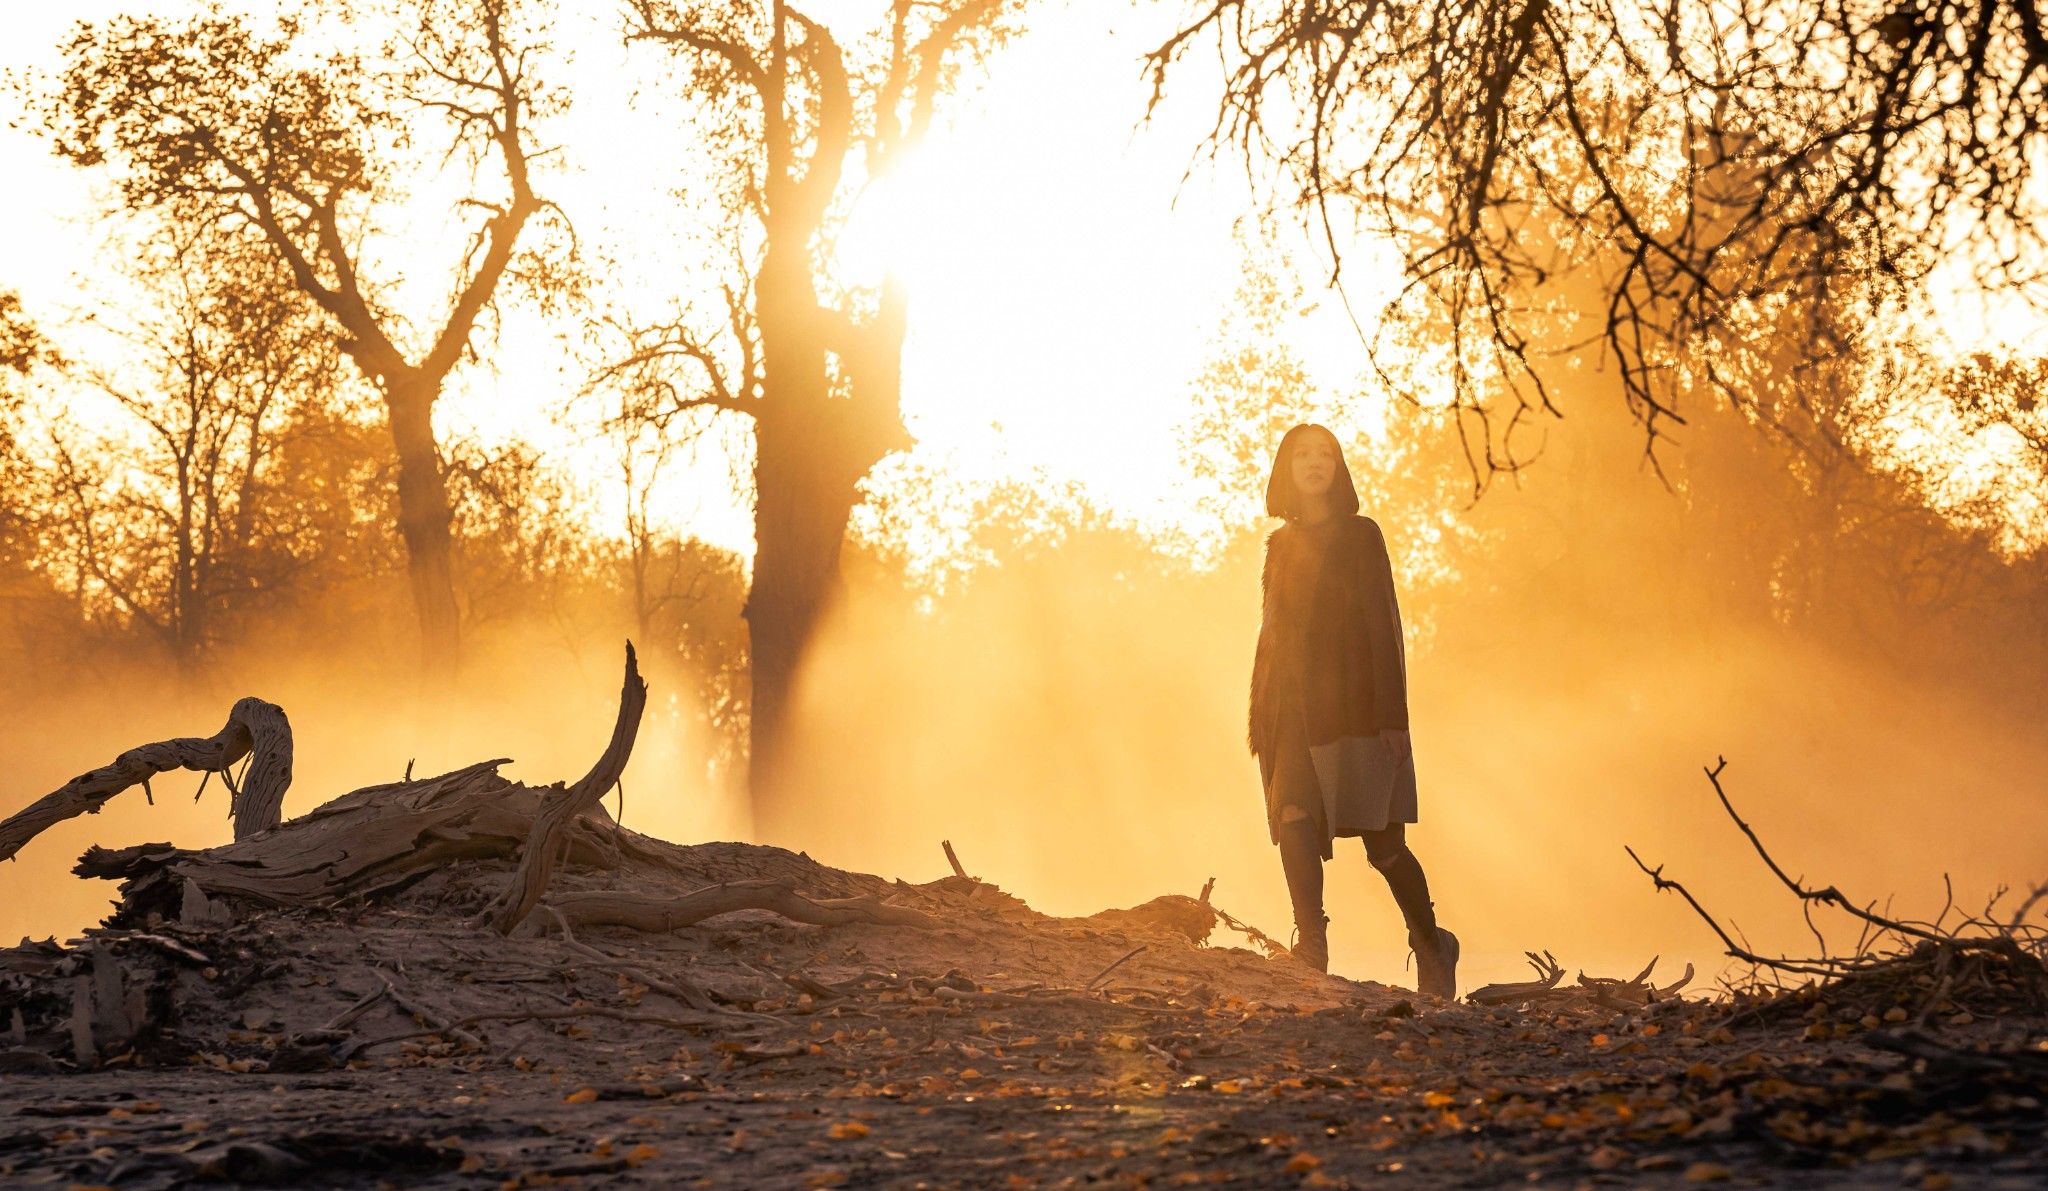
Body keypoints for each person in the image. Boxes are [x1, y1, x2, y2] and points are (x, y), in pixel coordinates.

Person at [1247, 423, 1459, 998]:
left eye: (1326, 454)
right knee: (1292, 816)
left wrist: (1394, 715)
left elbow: (1383, 626)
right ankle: (1310, 947)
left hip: (1356, 709)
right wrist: (1261, 714)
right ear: (1286, 468)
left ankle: (1432, 943)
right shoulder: (1280, 545)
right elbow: (1271, 636)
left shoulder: (1362, 536)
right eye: (1303, 455)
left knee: (1383, 844)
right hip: (1291, 710)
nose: (1315, 463)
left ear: (1338, 468)